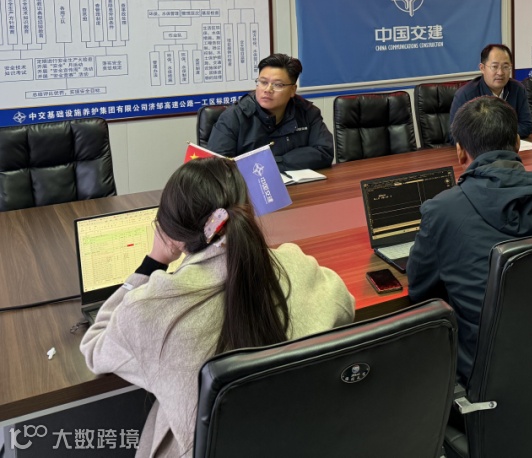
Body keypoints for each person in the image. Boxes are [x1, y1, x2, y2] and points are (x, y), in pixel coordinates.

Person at [81, 158, 354, 458]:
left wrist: (153, 261)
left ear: (173, 236)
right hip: (300, 441)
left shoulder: (149, 309)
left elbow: (94, 346)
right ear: (246, 209)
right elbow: (346, 306)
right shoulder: (296, 264)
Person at [407, 95, 532, 384]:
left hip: (488, 376)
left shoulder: (442, 211)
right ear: (517, 143)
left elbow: (419, 292)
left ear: (460, 152)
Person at [207, 53, 334, 170]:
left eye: (278, 85)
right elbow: (217, 167)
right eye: (263, 82)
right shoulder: (234, 117)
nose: (268, 90)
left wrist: (272, 163)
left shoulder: (307, 112)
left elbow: (324, 152)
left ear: (292, 90)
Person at [448, 43, 532, 140]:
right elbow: (454, 135)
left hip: (509, 147)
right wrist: (496, 137)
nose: (500, 72)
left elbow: (526, 126)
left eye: (505, 67)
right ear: (482, 68)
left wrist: (496, 136)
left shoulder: (518, 89)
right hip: (479, 148)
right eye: (494, 67)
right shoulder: (465, 94)